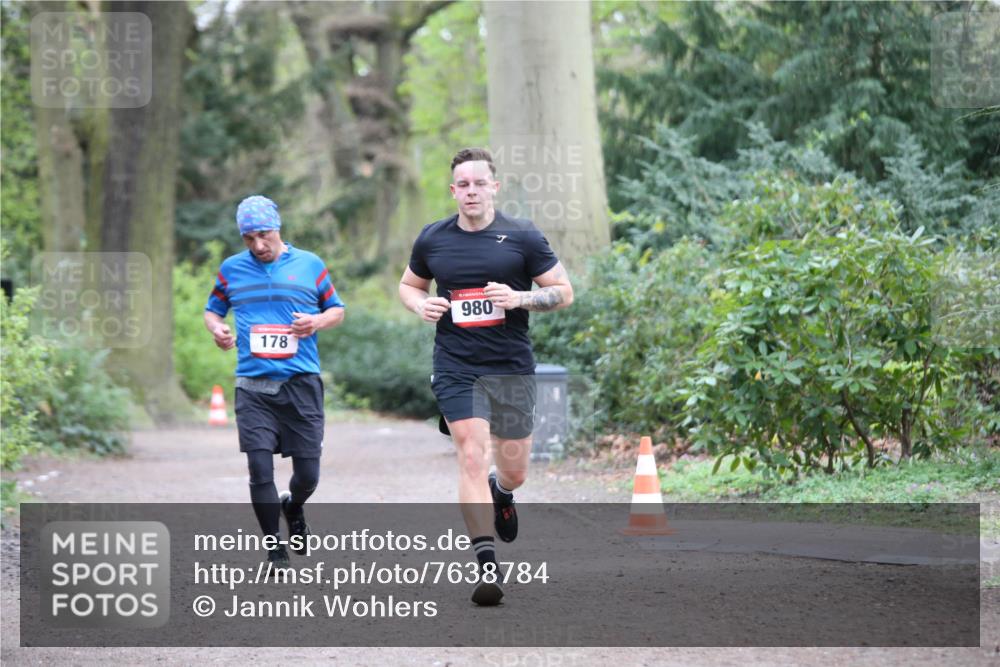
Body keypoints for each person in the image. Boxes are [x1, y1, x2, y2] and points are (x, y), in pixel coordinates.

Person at [398, 148, 574, 605]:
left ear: (494, 187)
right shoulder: (433, 239)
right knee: (471, 455)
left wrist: (520, 299)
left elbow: (563, 292)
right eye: (463, 184)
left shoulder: (523, 236)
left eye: (479, 183)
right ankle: (487, 566)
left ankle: (503, 492)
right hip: (456, 365)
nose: (471, 191)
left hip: (511, 366)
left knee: (513, 468)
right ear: (453, 190)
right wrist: (421, 305)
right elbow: (408, 284)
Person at [205, 195, 345, 569]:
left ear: (278, 228)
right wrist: (218, 329)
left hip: (301, 382)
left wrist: (316, 322)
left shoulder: (310, 264)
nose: (258, 245)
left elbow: (337, 309)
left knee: (308, 475)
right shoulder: (232, 269)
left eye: (264, 235)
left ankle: (293, 505)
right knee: (259, 468)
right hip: (253, 385)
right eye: (249, 238)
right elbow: (213, 311)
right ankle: (274, 550)